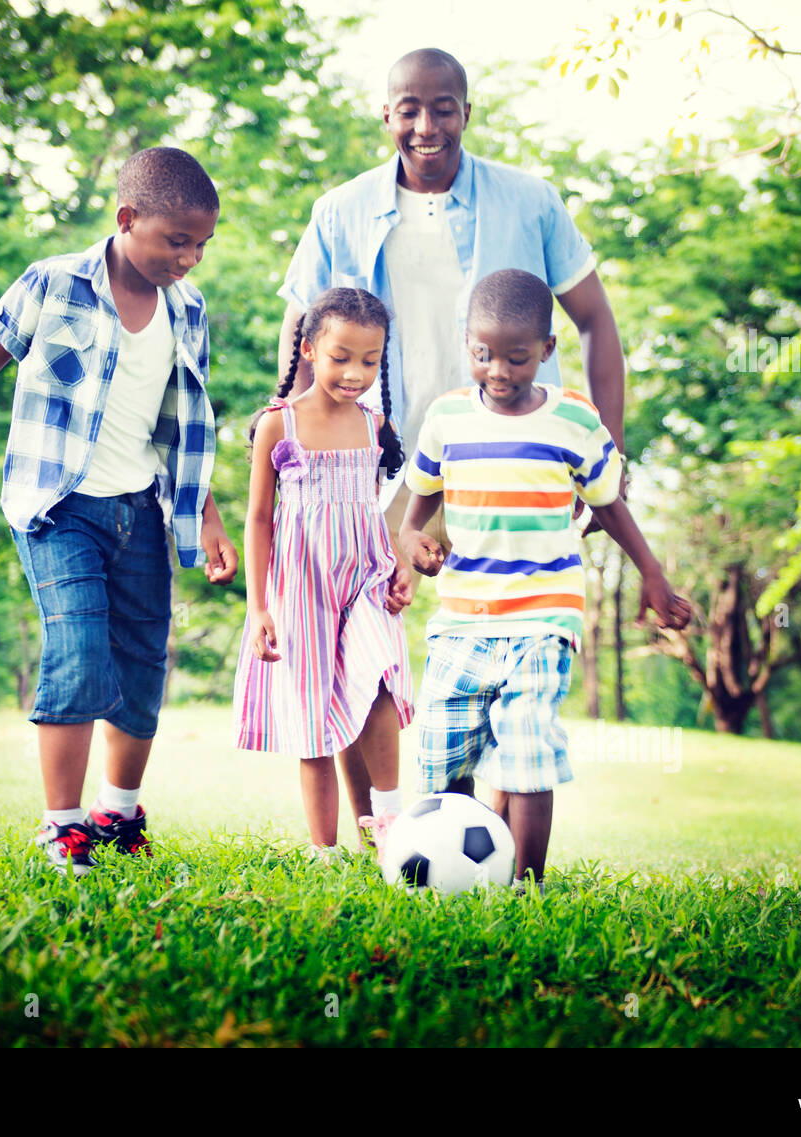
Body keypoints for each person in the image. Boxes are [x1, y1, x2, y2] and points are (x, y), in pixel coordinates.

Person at [277, 46, 629, 819]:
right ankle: (380, 828)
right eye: (409, 108)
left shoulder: (529, 200)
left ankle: (492, 833)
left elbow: (597, 320)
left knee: (504, 647)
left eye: (443, 107)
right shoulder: (340, 209)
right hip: (377, 455)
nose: (426, 125)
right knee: (357, 644)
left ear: (467, 111)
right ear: (387, 114)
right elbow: (300, 323)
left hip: (505, 448)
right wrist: (294, 422)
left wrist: (605, 448)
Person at [0, 147, 238, 877]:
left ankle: (119, 812)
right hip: (56, 505)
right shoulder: (53, 283)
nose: (191, 257)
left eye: (203, 243)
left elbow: (186, 421)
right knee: (78, 655)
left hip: (141, 508)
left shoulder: (189, 308)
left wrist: (205, 513)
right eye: (177, 240)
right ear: (126, 219)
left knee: (141, 669)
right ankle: (63, 826)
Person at [398, 270, 690, 887]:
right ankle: (451, 871)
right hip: (461, 620)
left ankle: (527, 886)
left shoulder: (576, 422)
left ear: (548, 351)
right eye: (483, 355)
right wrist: (409, 540)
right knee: (439, 752)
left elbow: (609, 505)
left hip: (542, 617)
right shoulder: (447, 417)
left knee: (526, 748)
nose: (498, 370)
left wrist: (654, 575)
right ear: (467, 345)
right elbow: (419, 498)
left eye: (517, 357)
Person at [234, 288, 414, 860]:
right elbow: (259, 518)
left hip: (364, 577)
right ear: (309, 349)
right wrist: (259, 606)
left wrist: (400, 566)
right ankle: (324, 848)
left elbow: (371, 510)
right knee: (310, 710)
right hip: (300, 586)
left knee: (379, 678)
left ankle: (387, 819)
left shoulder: (373, 425)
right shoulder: (278, 425)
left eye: (370, 360)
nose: (356, 373)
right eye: (341, 357)